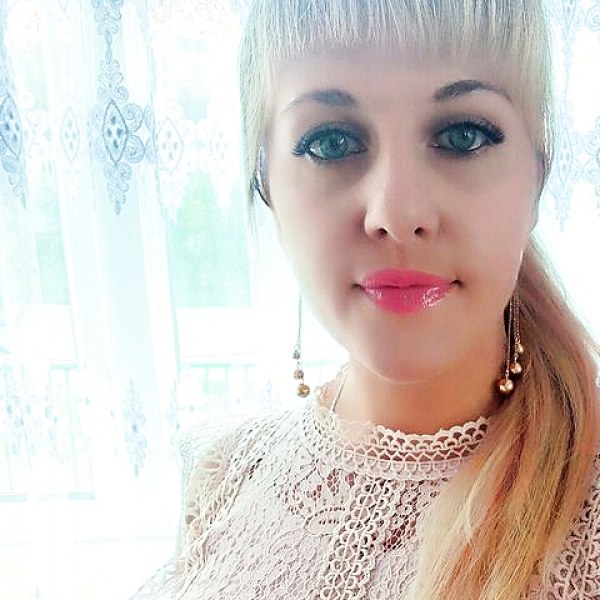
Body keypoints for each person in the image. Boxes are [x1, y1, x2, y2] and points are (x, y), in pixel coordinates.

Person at [132, 1, 600, 598]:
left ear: (538, 176)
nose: (397, 215)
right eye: (331, 142)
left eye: (463, 136)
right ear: (267, 186)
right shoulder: (223, 479)